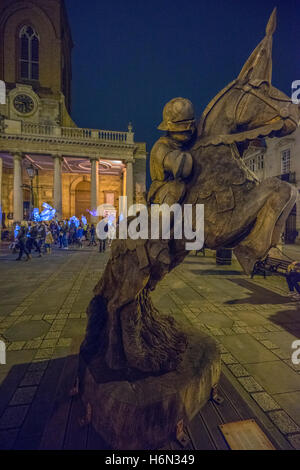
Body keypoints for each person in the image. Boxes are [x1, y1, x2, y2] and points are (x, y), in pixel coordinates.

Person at [147, 97, 195, 206]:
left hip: (185, 186)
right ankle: (160, 223)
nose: (189, 132)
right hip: (163, 193)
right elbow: (181, 167)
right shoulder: (161, 147)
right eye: (184, 130)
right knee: (176, 189)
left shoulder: (188, 143)